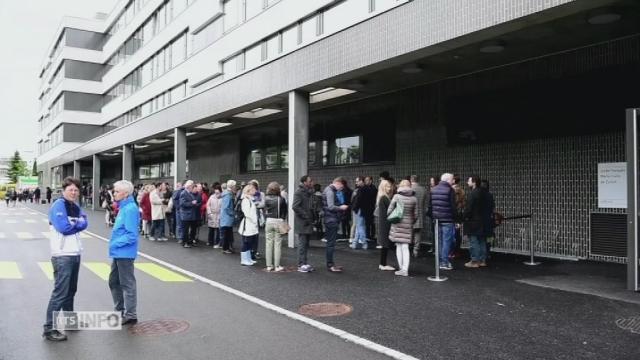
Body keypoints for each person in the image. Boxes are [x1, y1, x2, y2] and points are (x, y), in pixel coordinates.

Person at [42, 177, 88, 341]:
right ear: (64, 190)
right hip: (62, 255)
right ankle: (49, 329)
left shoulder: (74, 206)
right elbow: (64, 228)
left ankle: (69, 322)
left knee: (71, 291)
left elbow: (85, 222)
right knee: (60, 293)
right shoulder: (58, 205)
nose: (74, 192)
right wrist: (78, 224)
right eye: (71, 190)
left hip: (75, 253)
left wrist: (78, 224)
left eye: (76, 190)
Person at [108, 180, 140, 326]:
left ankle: (130, 314)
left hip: (124, 253)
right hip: (119, 252)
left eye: (116, 191)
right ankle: (120, 311)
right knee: (114, 281)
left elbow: (132, 235)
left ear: (125, 193)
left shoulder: (130, 209)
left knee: (127, 283)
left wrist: (115, 243)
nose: (114, 193)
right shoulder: (124, 207)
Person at [387, 180, 418, 276]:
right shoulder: (414, 198)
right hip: (408, 224)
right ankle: (405, 269)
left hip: (397, 223)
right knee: (405, 247)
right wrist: (410, 221)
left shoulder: (397, 196)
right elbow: (416, 215)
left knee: (398, 246)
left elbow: (389, 211)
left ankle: (401, 268)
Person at [430, 173, 457, 270]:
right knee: (446, 241)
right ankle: (444, 262)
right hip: (447, 219)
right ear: (448, 180)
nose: (453, 181)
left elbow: (431, 205)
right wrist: (456, 218)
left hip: (436, 219)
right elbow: (453, 206)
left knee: (439, 241)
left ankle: (440, 261)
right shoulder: (450, 190)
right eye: (452, 179)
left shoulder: (433, 189)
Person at [322, 177, 349, 272]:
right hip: (331, 220)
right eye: (341, 186)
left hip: (329, 219)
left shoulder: (328, 189)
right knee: (331, 244)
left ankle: (331, 264)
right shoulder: (330, 191)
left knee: (330, 243)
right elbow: (331, 207)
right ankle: (330, 265)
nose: (341, 189)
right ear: (338, 183)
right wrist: (341, 207)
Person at [464, 176, 491, 268]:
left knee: (473, 241)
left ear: (474, 182)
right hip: (484, 221)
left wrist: (464, 217)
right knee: (482, 240)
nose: (467, 182)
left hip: (474, 221)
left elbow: (469, 209)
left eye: (469, 180)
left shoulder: (472, 194)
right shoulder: (485, 193)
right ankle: (482, 260)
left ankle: (474, 261)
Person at [293, 175, 315, 273]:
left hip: (307, 221)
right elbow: (295, 206)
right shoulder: (299, 192)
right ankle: (301, 264)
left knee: (306, 244)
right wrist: (306, 216)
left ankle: (304, 263)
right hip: (302, 222)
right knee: (302, 244)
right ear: (305, 182)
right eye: (310, 181)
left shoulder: (309, 192)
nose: (312, 182)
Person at [263, 182, 288, 272]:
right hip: (278, 221)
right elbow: (285, 211)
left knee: (268, 244)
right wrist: (283, 220)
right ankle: (277, 266)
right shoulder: (281, 199)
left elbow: (264, 210)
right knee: (277, 244)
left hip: (269, 221)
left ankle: (269, 266)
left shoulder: (266, 198)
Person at [376, 180, 395, 271]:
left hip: (385, 223)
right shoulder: (384, 198)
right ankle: (383, 264)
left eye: (390, 186)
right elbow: (386, 213)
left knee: (385, 245)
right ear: (383, 187)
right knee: (385, 244)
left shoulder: (384, 197)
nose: (389, 188)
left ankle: (383, 264)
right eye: (387, 186)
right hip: (385, 224)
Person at [238, 183, 259, 266]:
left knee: (250, 242)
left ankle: (248, 258)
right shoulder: (246, 200)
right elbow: (247, 213)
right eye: (253, 189)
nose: (255, 191)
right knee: (247, 242)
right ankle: (244, 260)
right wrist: (254, 221)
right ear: (248, 191)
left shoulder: (250, 199)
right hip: (248, 225)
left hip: (251, 224)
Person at [410, 175, 428, 257]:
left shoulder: (409, 189)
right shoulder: (423, 190)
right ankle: (416, 250)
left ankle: (406, 249)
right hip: (420, 214)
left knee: (408, 232)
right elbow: (425, 203)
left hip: (410, 214)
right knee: (418, 233)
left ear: (411, 180)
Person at [179, 181, 201, 248]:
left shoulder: (190, 193)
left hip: (192, 214)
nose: (193, 187)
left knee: (193, 229)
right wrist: (192, 203)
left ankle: (190, 241)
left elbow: (193, 202)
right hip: (186, 215)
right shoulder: (183, 193)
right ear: (188, 186)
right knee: (185, 230)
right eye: (192, 186)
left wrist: (196, 204)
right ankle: (185, 242)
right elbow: (182, 204)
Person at [350, 177, 368, 250]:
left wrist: (354, 207)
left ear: (361, 181)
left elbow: (357, 200)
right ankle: (354, 243)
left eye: (357, 181)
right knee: (359, 226)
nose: (356, 183)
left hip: (359, 210)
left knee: (359, 227)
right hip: (364, 210)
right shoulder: (367, 189)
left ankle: (364, 243)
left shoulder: (360, 190)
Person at [219, 180, 237, 254]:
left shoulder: (227, 194)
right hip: (227, 218)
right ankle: (225, 248)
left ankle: (226, 248)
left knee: (227, 233)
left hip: (226, 217)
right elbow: (226, 207)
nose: (235, 187)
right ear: (232, 186)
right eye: (235, 186)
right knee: (226, 234)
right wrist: (233, 213)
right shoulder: (228, 195)